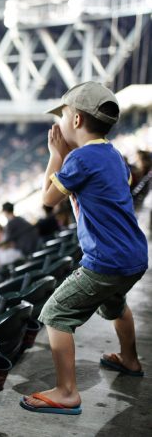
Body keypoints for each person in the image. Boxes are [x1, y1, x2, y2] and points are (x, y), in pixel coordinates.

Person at [20, 81, 148, 415]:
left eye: (62, 116)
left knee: (55, 314)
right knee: (115, 305)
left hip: (105, 260)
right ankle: (130, 360)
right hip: (134, 256)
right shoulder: (113, 154)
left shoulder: (81, 159)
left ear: (75, 120)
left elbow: (47, 200)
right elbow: (125, 185)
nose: (57, 125)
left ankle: (66, 392)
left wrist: (56, 155)